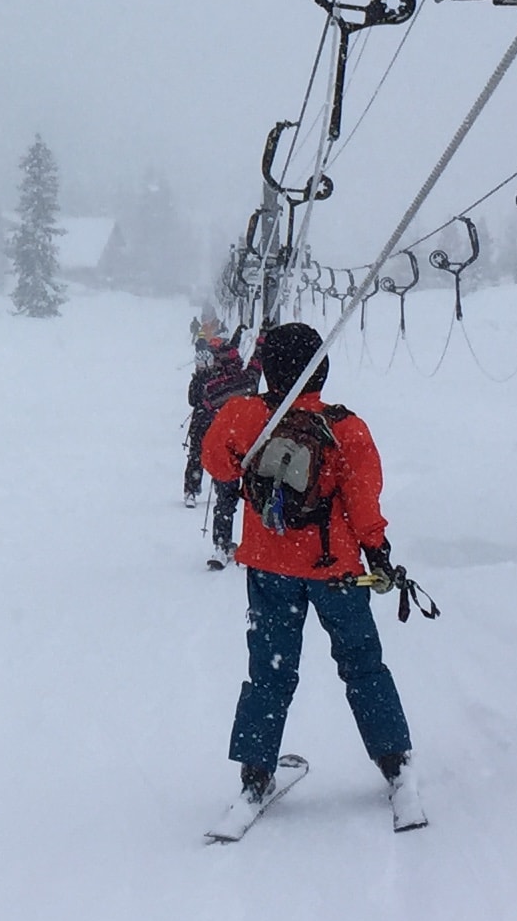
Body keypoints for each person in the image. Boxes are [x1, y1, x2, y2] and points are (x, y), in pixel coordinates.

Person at [199, 322, 427, 832]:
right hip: (336, 572)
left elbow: (217, 463)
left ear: (271, 369)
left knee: (269, 673)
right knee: (363, 666)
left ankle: (255, 776)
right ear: (321, 369)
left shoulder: (246, 416)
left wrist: (251, 421)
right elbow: (363, 504)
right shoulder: (346, 428)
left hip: (270, 567)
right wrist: (379, 555)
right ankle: (396, 766)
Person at [182, 317, 256, 566]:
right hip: (248, 446)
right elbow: (256, 366)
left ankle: (221, 545)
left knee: (225, 499)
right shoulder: (246, 382)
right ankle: (250, 545)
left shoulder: (213, 386)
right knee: (254, 496)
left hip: (224, 449)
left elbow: (197, 400)